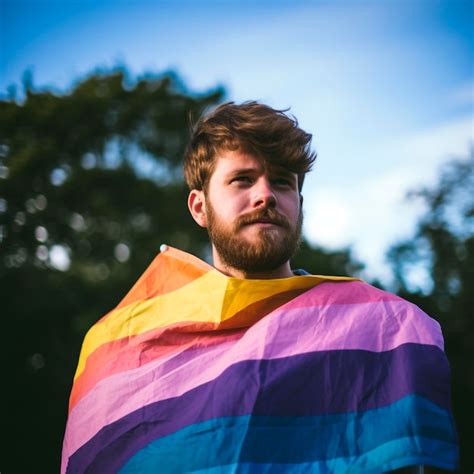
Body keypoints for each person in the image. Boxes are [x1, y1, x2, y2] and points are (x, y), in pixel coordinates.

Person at [62, 102, 458, 473]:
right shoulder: (123, 349)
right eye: (242, 180)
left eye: (282, 182)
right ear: (199, 207)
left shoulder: (382, 329)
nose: (265, 195)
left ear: (299, 203)